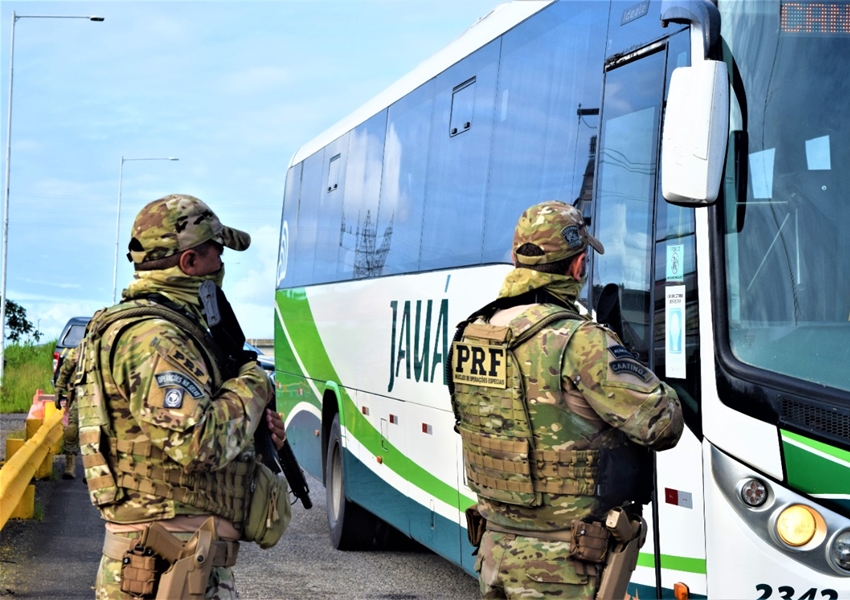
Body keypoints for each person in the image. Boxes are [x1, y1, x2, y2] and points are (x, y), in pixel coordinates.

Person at [450, 201, 684, 599]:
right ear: (577, 268)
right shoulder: (580, 340)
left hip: (494, 555)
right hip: (565, 566)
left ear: (516, 259)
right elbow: (663, 423)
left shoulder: (470, 334)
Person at [72, 194, 288, 599]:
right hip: (164, 570)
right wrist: (254, 384)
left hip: (179, 566)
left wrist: (251, 436)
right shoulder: (155, 339)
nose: (222, 267)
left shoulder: (173, 331)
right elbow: (199, 443)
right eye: (217, 254)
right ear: (189, 263)